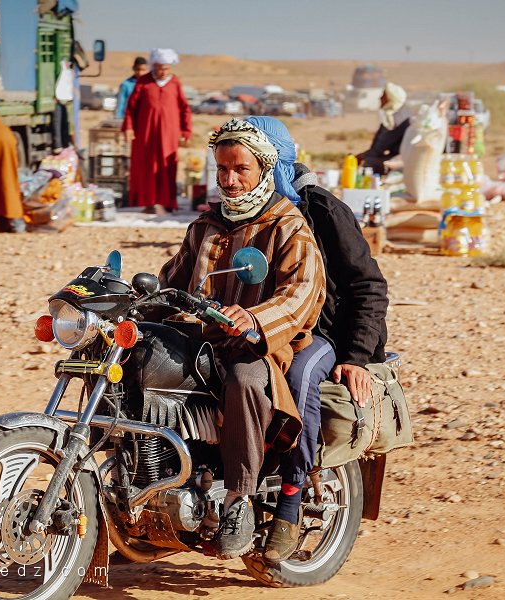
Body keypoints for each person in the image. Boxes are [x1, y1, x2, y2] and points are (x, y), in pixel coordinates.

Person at [158, 118, 325, 559]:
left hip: (258, 347)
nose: (230, 180)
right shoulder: (205, 225)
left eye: (241, 170)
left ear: (265, 170)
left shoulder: (288, 226)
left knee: (244, 380)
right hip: (201, 340)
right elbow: (172, 279)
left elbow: (302, 294)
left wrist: (253, 319)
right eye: (222, 170)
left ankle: (238, 499)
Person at [244, 118, 389, 564]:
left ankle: (289, 501)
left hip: (322, 331)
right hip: (260, 325)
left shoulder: (322, 209)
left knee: (303, 376)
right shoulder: (240, 207)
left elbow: (369, 285)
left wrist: (356, 356)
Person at [122, 48, 192, 215]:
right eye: (160, 68)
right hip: (146, 134)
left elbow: (184, 108)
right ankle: (148, 202)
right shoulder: (143, 82)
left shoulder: (175, 83)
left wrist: (186, 130)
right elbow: (131, 108)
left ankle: (167, 202)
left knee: (167, 166)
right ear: (154, 66)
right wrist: (129, 127)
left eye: (167, 68)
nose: (163, 72)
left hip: (169, 134)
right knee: (145, 167)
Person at [356, 82, 412, 175]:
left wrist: (361, 157)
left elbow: (379, 147)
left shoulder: (394, 119)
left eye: (383, 96)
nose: (380, 98)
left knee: (367, 163)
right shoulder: (401, 112)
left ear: (390, 99)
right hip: (401, 157)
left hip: (401, 160)